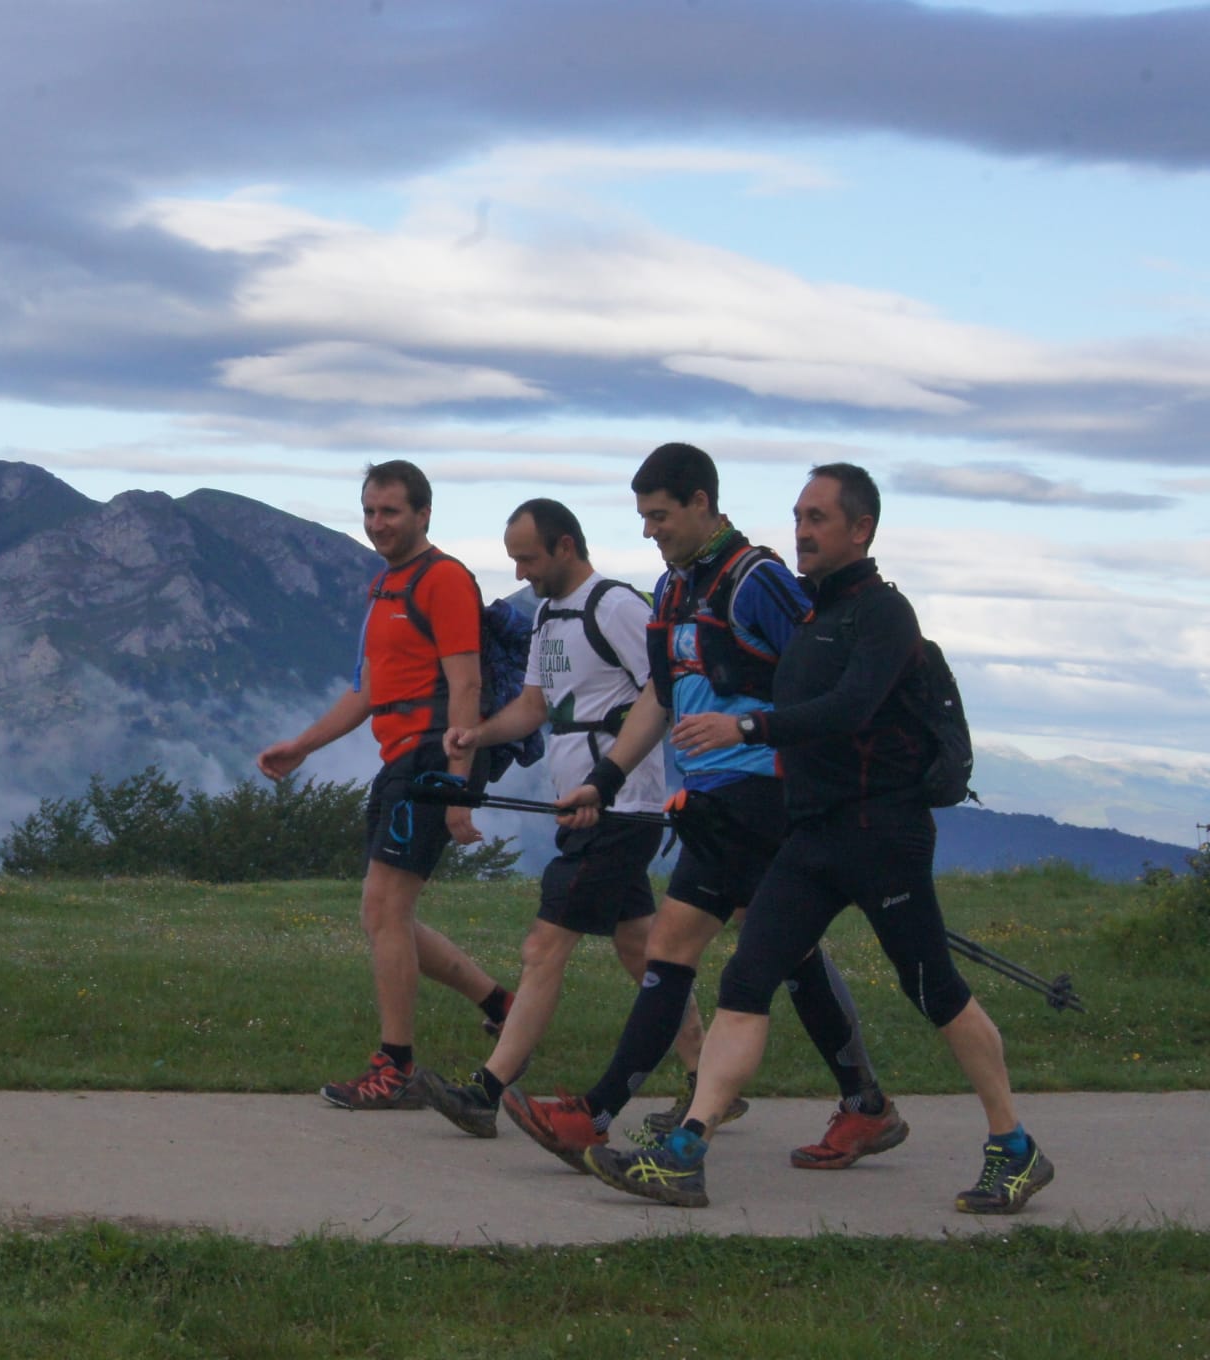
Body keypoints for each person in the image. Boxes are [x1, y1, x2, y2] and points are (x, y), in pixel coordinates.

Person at [584, 464, 1054, 1214]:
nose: (802, 531)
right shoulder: (809, 618)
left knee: (934, 990)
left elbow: (849, 707)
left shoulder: (883, 615)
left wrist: (745, 726)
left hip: (883, 836)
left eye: (819, 519)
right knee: (745, 979)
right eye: (798, 516)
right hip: (812, 835)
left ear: (860, 530)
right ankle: (686, 1153)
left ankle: (1015, 1147)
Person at [510, 443, 898, 1173]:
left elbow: (825, 679)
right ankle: (866, 1104)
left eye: (660, 516)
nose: (651, 531)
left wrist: (803, 774)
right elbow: (660, 695)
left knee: (677, 948)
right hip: (715, 800)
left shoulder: (759, 582)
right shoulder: (673, 590)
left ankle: (594, 1116)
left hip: (764, 793)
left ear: (700, 502)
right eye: (644, 518)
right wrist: (606, 776)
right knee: (779, 948)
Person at [414, 498, 705, 1137]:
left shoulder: (618, 608)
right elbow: (534, 708)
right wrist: (477, 736)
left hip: (619, 809)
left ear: (566, 547)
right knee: (642, 950)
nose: (520, 573)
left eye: (529, 558)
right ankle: (708, 1081)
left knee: (543, 947)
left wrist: (610, 780)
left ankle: (486, 1092)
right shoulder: (548, 615)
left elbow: (662, 691)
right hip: (581, 807)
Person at [257, 460, 513, 1109]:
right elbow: (369, 691)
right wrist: (303, 745)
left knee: (384, 910)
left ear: (424, 514)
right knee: (386, 914)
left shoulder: (445, 579)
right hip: (404, 757)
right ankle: (501, 1003)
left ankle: (395, 1066)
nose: (377, 524)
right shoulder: (385, 589)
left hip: (434, 756)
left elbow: (466, 685)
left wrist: (457, 786)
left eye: (390, 511)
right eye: (369, 511)